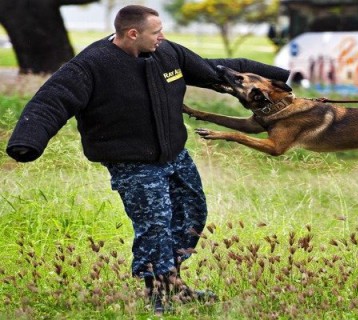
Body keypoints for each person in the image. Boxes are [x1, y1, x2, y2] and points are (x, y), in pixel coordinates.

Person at [5, 5, 289, 315]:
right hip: (131, 161)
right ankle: (159, 294)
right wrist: (27, 142)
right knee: (154, 226)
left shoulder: (167, 53)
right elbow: (51, 100)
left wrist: (280, 78)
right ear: (132, 33)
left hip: (174, 154)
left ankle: (173, 282)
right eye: (156, 32)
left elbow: (215, 70)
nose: (162, 37)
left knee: (192, 214)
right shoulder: (90, 66)